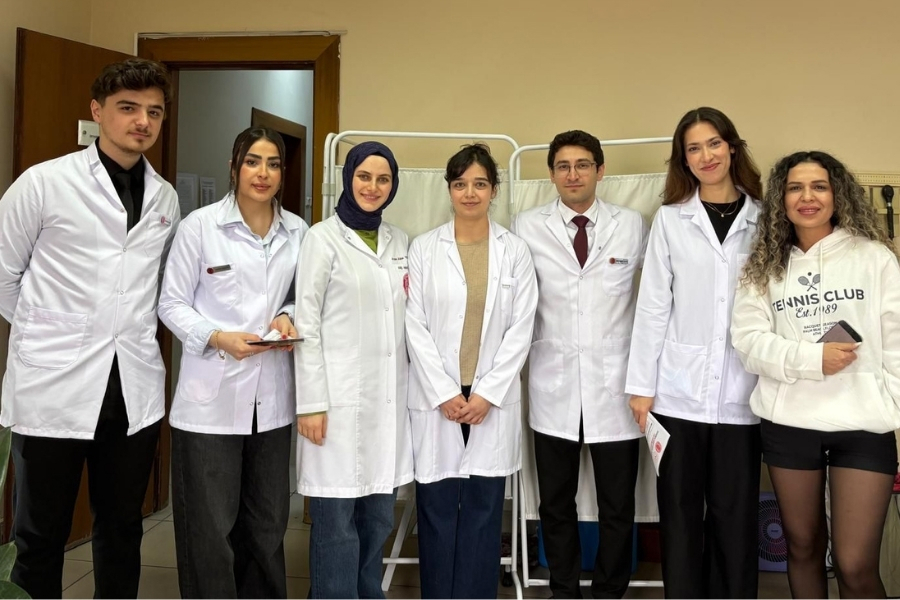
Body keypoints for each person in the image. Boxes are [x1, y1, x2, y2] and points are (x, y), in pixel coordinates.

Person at [0, 58, 179, 599]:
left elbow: (155, 285)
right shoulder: (44, 183)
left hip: (131, 387)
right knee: (39, 535)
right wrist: (47, 330)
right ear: (97, 111)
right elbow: (4, 275)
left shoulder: (165, 198)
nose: (142, 121)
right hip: (53, 384)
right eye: (128, 108)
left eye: (154, 112)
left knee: (123, 527)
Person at [732, 150, 900, 599]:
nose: (807, 197)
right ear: (781, 199)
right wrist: (812, 359)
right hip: (790, 425)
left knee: (854, 563)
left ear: (837, 194)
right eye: (795, 188)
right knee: (803, 547)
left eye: (819, 186)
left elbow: (897, 343)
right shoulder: (763, 266)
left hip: (863, 426)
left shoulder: (874, 258)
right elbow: (748, 343)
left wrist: (892, 405)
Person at [157, 126, 308, 598]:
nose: (263, 173)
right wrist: (218, 337)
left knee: (267, 525)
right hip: (211, 403)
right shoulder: (199, 227)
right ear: (234, 166)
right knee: (210, 530)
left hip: (272, 403)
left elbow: (304, 296)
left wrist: (289, 314)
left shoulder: (298, 232)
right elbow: (170, 303)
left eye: (273, 164)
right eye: (253, 161)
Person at [625, 107, 763, 598]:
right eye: (694, 148)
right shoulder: (670, 220)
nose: (706, 156)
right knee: (680, 516)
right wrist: (641, 388)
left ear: (732, 147)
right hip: (677, 394)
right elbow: (652, 306)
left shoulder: (765, 219)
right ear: (683, 159)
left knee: (735, 517)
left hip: (744, 394)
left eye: (714, 144)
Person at [513, 130, 648, 599]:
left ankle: (610, 591)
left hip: (616, 388)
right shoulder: (526, 226)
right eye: (563, 166)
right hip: (553, 386)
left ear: (600, 170)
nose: (573, 174)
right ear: (551, 174)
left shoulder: (631, 225)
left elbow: (656, 299)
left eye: (583, 165)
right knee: (555, 503)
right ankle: (564, 590)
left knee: (618, 506)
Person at [405, 144, 538, 598]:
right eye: (460, 184)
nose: (470, 193)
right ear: (449, 189)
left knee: (483, 511)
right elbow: (414, 325)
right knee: (437, 509)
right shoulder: (424, 249)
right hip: (438, 396)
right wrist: (443, 391)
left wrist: (488, 394)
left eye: (480, 184)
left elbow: (522, 327)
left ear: (494, 190)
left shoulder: (515, 251)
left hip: (489, 398)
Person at [294, 141, 413, 599]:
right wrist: (311, 403)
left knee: (378, 518)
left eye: (383, 179)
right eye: (364, 176)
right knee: (336, 525)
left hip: (386, 404)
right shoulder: (321, 239)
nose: (373, 187)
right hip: (334, 405)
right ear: (348, 179)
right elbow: (306, 325)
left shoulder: (400, 241)